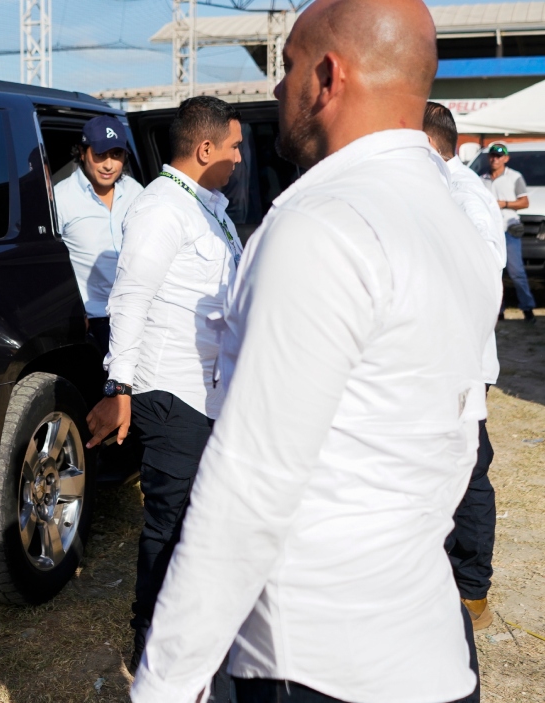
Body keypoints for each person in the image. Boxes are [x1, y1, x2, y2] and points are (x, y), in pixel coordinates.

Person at [129, 1, 498, 701]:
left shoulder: (320, 223)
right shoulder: (453, 218)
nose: (276, 89)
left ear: (328, 76)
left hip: (314, 660)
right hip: (430, 645)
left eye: (288, 65)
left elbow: (247, 487)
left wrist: (164, 684)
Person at [84, 95, 243, 674]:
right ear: (205, 149)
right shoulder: (161, 209)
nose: (240, 157)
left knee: (200, 522)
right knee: (170, 522)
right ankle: (150, 646)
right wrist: (119, 386)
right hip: (169, 390)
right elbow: (130, 296)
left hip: (209, 392)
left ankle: (192, 634)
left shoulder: (209, 208)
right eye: (234, 146)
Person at [424, 101, 504, 633]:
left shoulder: (462, 193)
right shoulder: (438, 190)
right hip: (439, 362)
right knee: (445, 470)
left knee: (470, 473)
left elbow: (485, 272)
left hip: (462, 363)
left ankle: (472, 590)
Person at [52, 116, 144, 353]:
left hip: (140, 314)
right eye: (101, 155)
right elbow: (51, 262)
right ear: (82, 153)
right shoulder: (61, 199)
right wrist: (71, 311)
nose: (109, 165)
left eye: (116, 155)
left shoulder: (136, 192)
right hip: (94, 322)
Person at [483, 142, 535, 322]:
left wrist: (504, 204)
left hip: (510, 229)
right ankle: (499, 311)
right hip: (491, 232)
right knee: (494, 272)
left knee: (516, 272)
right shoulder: (482, 179)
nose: (495, 159)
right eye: (492, 155)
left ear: (506, 158)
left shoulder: (514, 177)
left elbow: (524, 202)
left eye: (499, 156)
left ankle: (528, 310)